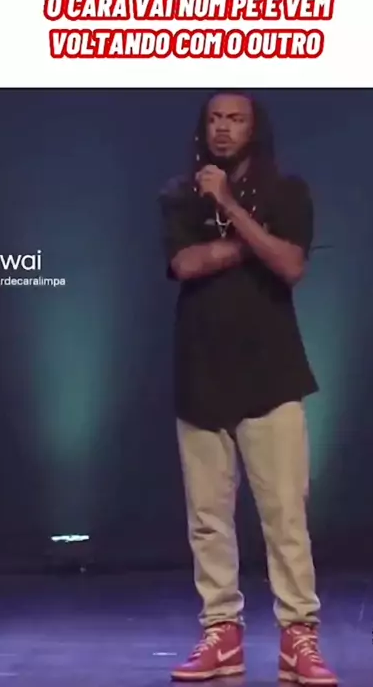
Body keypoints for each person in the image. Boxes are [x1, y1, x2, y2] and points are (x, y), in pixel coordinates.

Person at [159, 92, 337, 685]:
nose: (223, 129)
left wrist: (230, 208)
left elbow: (290, 266)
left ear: (254, 130)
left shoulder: (288, 192)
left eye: (235, 119)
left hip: (271, 376)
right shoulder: (179, 194)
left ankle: (298, 638)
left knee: (285, 517)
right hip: (200, 374)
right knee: (207, 520)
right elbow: (186, 264)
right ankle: (221, 634)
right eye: (214, 119)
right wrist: (252, 243)